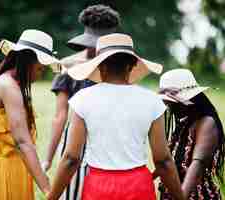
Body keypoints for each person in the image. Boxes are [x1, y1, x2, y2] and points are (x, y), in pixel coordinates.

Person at [47, 33, 184, 200]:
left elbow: (70, 159)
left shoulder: (82, 99)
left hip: (99, 186)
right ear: (132, 65)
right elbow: (163, 161)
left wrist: (51, 197)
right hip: (138, 186)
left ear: (100, 66)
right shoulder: (152, 101)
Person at [44, 5, 121, 200]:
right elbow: (60, 115)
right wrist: (48, 159)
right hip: (75, 144)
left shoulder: (121, 68)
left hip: (110, 144)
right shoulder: (69, 65)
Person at [0, 29, 59, 200]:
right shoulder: (9, 87)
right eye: (40, 68)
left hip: (14, 169)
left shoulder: (9, 82)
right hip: (5, 174)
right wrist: (48, 189)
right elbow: (22, 142)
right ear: (28, 61)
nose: (40, 73)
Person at [157, 69, 225, 200]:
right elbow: (169, 162)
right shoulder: (185, 121)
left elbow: (197, 166)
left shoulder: (207, 123)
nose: (169, 106)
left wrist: (180, 196)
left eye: (172, 102)